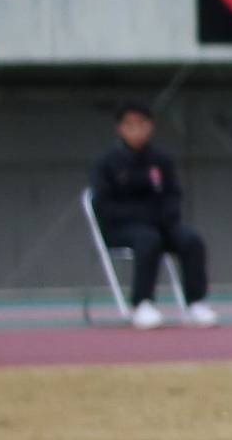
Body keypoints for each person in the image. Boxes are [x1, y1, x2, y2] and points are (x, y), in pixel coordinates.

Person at [91, 102, 216, 329]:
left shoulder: (161, 160)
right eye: (130, 125)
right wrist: (138, 217)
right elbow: (104, 205)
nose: (136, 131)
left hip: (161, 224)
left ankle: (196, 303)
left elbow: (172, 195)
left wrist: (165, 217)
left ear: (150, 127)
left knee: (191, 239)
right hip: (123, 229)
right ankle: (143, 304)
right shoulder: (107, 163)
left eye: (141, 125)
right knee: (147, 240)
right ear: (120, 128)